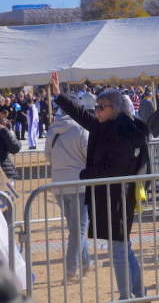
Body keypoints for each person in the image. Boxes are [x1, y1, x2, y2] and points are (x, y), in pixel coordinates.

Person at [51, 71, 150, 301]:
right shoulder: (103, 126)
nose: (96, 111)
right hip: (107, 196)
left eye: (100, 107)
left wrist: (86, 174)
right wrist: (59, 96)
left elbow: (113, 169)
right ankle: (138, 294)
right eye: (96, 107)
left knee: (118, 252)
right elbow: (80, 115)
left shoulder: (126, 132)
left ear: (114, 108)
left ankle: (127, 296)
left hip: (119, 197)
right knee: (124, 249)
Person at [43, 105, 95, 284]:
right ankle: (71, 271)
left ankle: (87, 262)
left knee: (75, 229)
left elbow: (47, 157)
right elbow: (90, 156)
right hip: (78, 184)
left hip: (59, 184)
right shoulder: (80, 129)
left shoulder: (52, 129)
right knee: (78, 230)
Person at [0, 108, 21, 225]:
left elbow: (15, 147)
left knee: (6, 210)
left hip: (4, 174)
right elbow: (15, 147)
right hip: (3, 174)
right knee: (6, 212)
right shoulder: (3, 130)